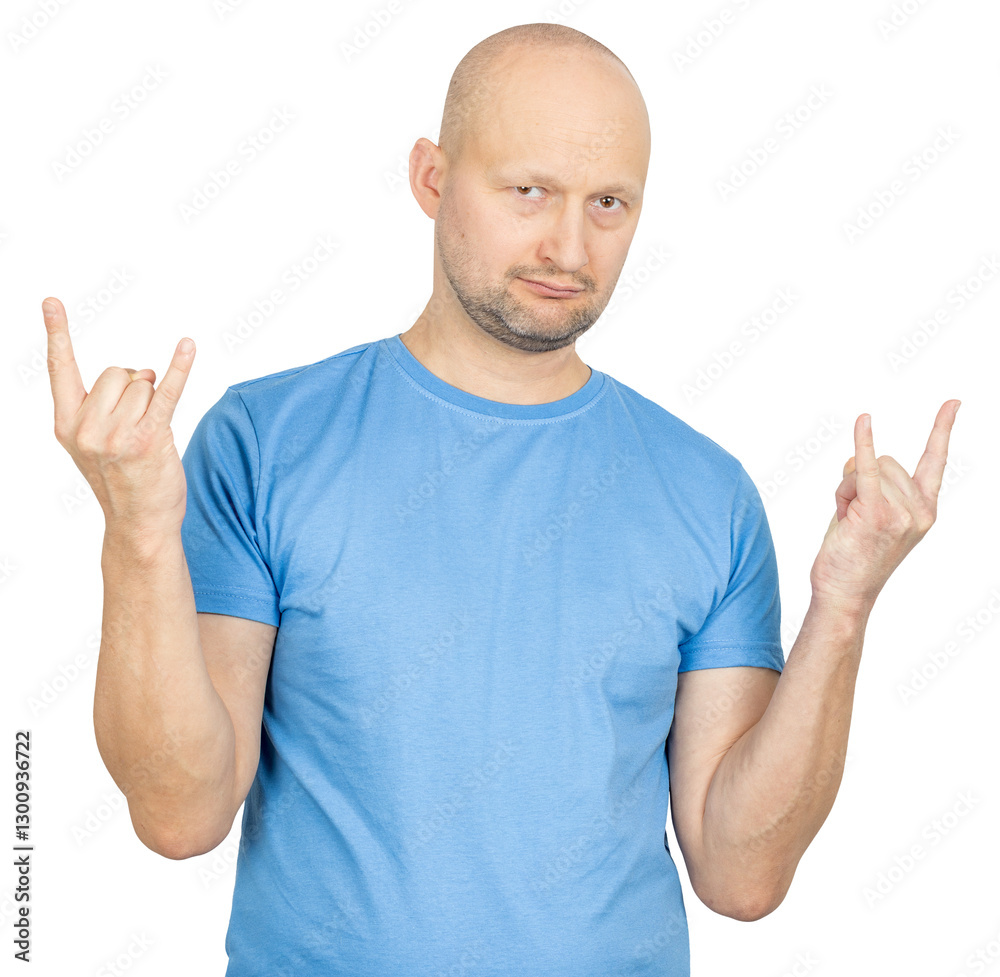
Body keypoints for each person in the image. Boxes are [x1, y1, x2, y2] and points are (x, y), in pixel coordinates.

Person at [44, 22, 960, 977]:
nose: (569, 244)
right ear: (432, 179)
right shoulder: (266, 441)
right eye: (530, 191)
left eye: (609, 202)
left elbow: (743, 874)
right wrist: (139, 534)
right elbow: (179, 813)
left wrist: (846, 604)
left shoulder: (708, 492)